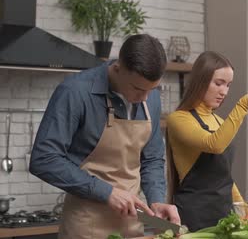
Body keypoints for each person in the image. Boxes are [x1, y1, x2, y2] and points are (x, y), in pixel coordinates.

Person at [29, 34, 180, 239]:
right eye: (137, 89)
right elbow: (44, 159)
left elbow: (152, 158)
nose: (145, 97)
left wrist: (156, 201)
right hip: (86, 227)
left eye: (153, 89)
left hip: (133, 226)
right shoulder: (75, 91)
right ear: (118, 68)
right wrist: (106, 192)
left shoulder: (149, 95)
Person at [166, 51, 248, 231]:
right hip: (194, 219)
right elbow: (215, 145)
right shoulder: (178, 119)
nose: (224, 92)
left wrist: (247, 213)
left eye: (228, 85)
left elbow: (224, 177)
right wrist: (244, 103)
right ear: (200, 81)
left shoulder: (220, 122)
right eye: (218, 83)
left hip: (225, 215)